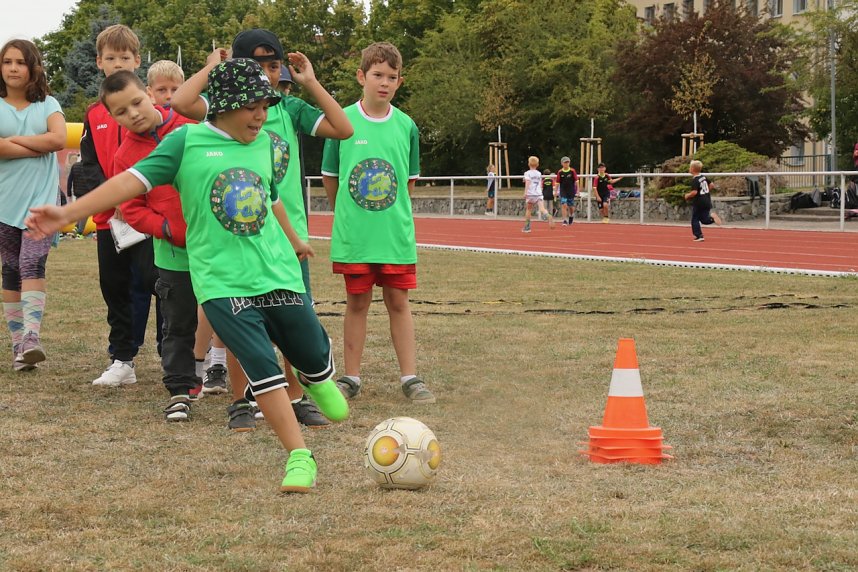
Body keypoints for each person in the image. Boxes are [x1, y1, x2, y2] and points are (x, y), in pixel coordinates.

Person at [26, 58, 350, 493]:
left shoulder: (266, 143)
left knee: (311, 354)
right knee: (263, 368)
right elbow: (127, 185)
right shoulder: (185, 143)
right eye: (252, 105)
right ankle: (298, 456)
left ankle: (315, 375)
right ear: (223, 106)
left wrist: (293, 240)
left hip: (278, 272)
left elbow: (270, 198)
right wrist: (67, 211)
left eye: (265, 105)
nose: (260, 114)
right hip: (220, 280)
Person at [171, 28, 353, 430]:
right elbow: (181, 102)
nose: (267, 75)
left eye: (273, 66)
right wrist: (212, 69)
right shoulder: (220, 110)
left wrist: (310, 82)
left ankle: (296, 395)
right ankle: (241, 400)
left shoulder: (287, 109)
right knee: (243, 323)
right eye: (255, 66)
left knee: (295, 320)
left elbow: (343, 129)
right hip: (239, 239)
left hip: (286, 239)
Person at [321, 41, 435, 404]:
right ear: (361, 77)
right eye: (377, 75)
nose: (384, 83)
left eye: (391, 77)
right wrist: (351, 216)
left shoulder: (406, 126)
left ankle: (411, 377)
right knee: (356, 303)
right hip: (356, 236)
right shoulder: (341, 121)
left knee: (398, 302)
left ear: (399, 82)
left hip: (393, 236)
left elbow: (409, 183)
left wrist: (390, 215)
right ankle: (351, 377)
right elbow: (330, 177)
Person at [100, 70, 200, 420]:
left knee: (234, 316)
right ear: (112, 117)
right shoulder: (125, 156)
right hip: (172, 253)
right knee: (177, 321)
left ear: (149, 93)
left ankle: (247, 387)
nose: (134, 113)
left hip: (218, 245)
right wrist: (167, 227)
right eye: (121, 111)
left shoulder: (191, 126)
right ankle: (179, 389)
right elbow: (131, 209)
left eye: (137, 102)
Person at [79, 24, 160, 386]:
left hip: (144, 216)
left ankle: (173, 353)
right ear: (99, 62)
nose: (116, 63)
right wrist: (108, 199)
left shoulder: (148, 110)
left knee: (152, 283)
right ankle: (122, 358)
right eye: (110, 58)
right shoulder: (94, 113)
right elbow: (88, 164)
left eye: (124, 57)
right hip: (107, 220)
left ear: (137, 61)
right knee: (113, 286)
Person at [0, 39, 66, 371]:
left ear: (32, 67)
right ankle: (19, 350)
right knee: (10, 270)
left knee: (32, 264)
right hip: (3, 203)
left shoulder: (48, 104)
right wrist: (35, 146)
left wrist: (10, 143)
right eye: (7, 62)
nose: (13, 68)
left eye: (20, 62)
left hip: (40, 203)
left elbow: (57, 139)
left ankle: (31, 337)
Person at [683, 159, 722, 242]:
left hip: (699, 202)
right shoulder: (703, 177)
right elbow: (711, 185)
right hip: (707, 200)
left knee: (695, 219)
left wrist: (687, 195)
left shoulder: (695, 180)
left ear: (692, 169)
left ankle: (699, 235)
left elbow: (694, 192)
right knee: (704, 219)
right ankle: (712, 218)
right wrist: (705, 192)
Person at [521, 156, 542, 233]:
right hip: (538, 193)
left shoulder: (527, 173)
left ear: (529, 164)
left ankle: (527, 227)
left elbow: (527, 182)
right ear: (537, 164)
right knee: (541, 207)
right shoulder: (539, 173)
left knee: (529, 209)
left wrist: (525, 192)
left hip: (530, 193)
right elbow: (540, 183)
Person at [555, 156, 578, 226]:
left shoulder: (572, 171)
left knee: (571, 206)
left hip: (571, 190)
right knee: (564, 204)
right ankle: (564, 220)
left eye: (567, 162)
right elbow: (557, 183)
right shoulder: (560, 172)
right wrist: (555, 191)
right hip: (563, 191)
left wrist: (578, 191)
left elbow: (576, 181)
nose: (566, 164)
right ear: (562, 163)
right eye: (565, 162)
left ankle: (571, 215)